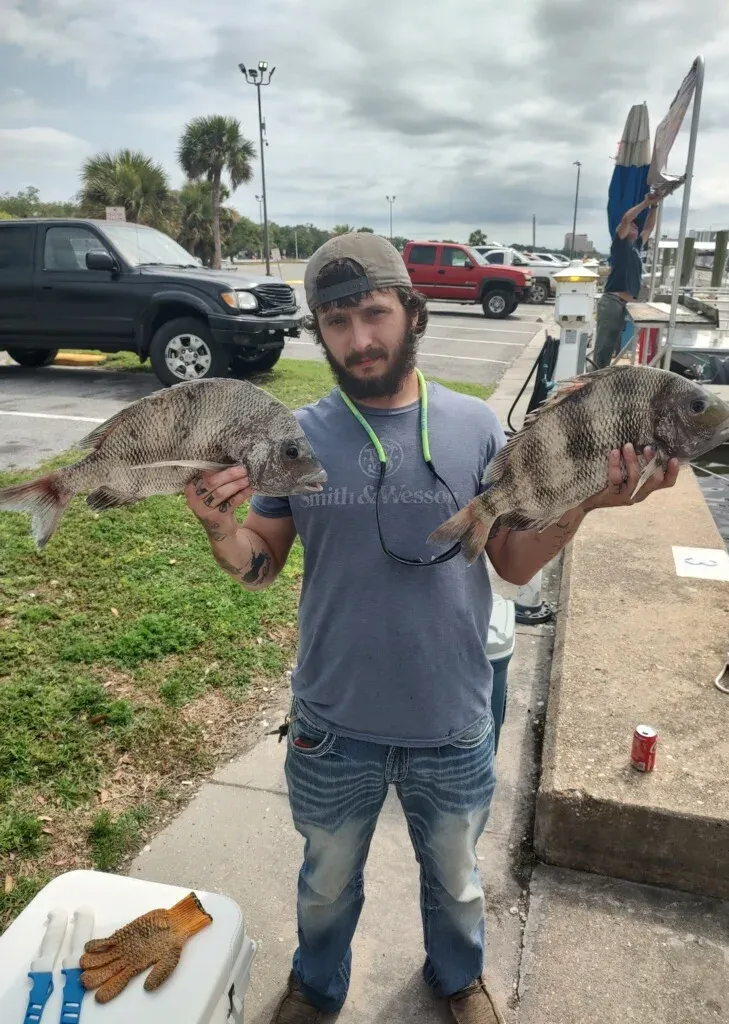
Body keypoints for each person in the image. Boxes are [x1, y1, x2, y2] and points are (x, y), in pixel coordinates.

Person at [184, 232, 678, 1023]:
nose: (360, 340)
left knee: (455, 878)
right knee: (325, 878)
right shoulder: (292, 439)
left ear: (412, 312)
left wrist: (581, 501)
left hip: (450, 717)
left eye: (374, 315)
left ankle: (458, 978)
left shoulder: (477, 428)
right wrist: (220, 531)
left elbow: (513, 563)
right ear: (320, 330)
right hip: (332, 720)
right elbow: (263, 562)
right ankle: (316, 986)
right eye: (337, 323)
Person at [592, 192, 660, 368]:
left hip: (624, 304)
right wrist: (645, 203)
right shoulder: (620, 243)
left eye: (636, 227)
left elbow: (649, 228)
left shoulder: (636, 246)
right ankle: (594, 381)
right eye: (632, 227)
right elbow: (626, 219)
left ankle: (602, 377)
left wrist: (654, 207)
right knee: (603, 347)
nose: (635, 228)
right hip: (613, 301)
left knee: (613, 345)